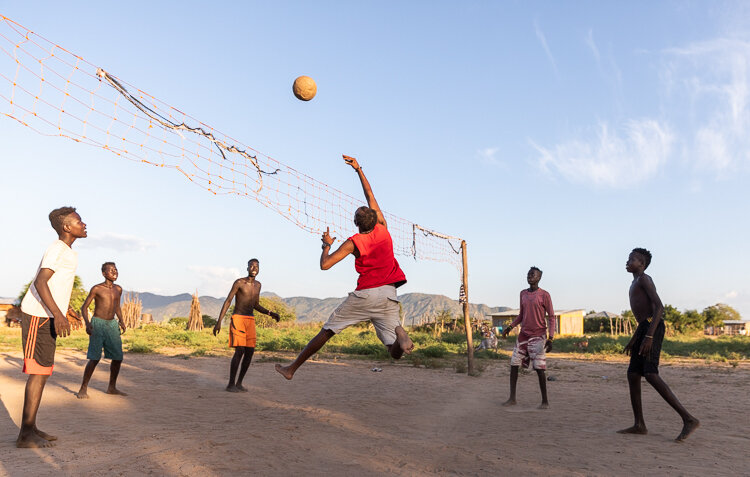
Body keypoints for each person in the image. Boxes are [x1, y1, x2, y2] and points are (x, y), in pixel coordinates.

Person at [275, 155, 414, 380]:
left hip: (366, 294)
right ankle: (399, 334)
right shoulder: (383, 227)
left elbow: (325, 265)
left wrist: (326, 245)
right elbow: (370, 194)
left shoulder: (353, 242)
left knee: (327, 331)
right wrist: (358, 169)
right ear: (375, 217)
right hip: (389, 293)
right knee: (393, 351)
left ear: (356, 224)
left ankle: (291, 369)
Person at [17, 206, 87, 447]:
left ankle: (31, 427)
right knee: (38, 372)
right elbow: (41, 281)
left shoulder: (67, 252)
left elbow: (55, 285)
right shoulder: (57, 249)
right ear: (67, 227)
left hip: (48, 315)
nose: (84, 224)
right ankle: (25, 435)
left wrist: (65, 311)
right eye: (79, 221)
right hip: (38, 315)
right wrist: (57, 314)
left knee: (43, 372)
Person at [618, 248, 699, 441]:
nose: (627, 262)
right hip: (644, 329)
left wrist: (649, 337)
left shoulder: (644, 279)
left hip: (653, 329)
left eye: (632, 259)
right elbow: (642, 318)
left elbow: (659, 307)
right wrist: (635, 338)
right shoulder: (634, 282)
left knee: (651, 373)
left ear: (642, 264)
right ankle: (639, 424)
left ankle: (688, 419)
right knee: (633, 374)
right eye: (628, 259)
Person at [214, 259, 280, 392]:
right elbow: (228, 301)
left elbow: (255, 304)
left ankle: (239, 383)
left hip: (250, 320)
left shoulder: (258, 285)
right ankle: (230, 384)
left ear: (259, 269)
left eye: (256, 266)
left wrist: (270, 313)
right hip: (238, 318)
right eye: (252, 266)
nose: (254, 268)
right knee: (240, 350)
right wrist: (219, 321)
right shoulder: (239, 282)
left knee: (250, 352)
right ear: (247, 268)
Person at [501, 266, 555, 409]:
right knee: (514, 364)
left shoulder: (544, 295)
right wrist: (510, 327)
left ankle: (545, 401)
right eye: (528, 274)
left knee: (539, 368)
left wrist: (551, 338)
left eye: (533, 274)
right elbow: (521, 315)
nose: (530, 276)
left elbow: (551, 317)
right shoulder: (523, 294)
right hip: (523, 335)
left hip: (538, 336)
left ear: (539, 278)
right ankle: (512, 398)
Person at [75, 262, 127, 399]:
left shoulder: (118, 289)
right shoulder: (97, 289)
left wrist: (121, 321)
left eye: (116, 269)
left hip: (112, 324)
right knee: (94, 358)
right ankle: (83, 388)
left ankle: (112, 387)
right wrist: (87, 323)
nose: (114, 272)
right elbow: (84, 307)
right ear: (104, 273)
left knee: (118, 357)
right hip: (98, 324)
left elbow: (117, 307)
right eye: (111, 270)